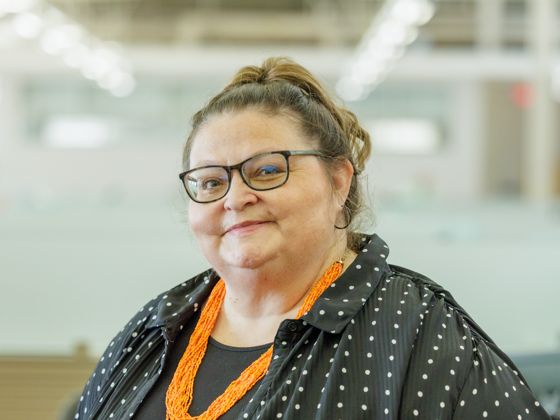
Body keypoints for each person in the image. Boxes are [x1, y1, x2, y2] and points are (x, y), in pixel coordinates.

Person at [75, 57, 551, 420]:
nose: (234, 198)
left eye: (266, 170)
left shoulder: (422, 337)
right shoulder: (156, 329)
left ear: (338, 182)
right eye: (211, 182)